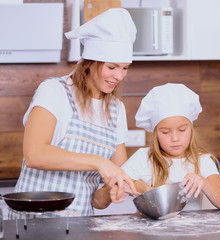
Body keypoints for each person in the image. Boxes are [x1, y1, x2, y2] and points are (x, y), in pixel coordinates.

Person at [10, 8, 137, 219]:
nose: (119, 76)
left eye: (125, 68)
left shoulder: (116, 109)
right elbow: (35, 154)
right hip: (32, 223)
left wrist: (111, 192)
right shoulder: (54, 91)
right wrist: (100, 162)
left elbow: (100, 197)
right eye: (112, 67)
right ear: (90, 62)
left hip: (80, 225)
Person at [112, 83, 220, 210]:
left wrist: (204, 183)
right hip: (151, 229)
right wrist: (146, 188)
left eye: (182, 130)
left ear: (191, 129)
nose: (175, 138)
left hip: (192, 229)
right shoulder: (143, 157)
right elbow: (116, 183)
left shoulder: (202, 160)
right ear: (156, 134)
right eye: (165, 132)